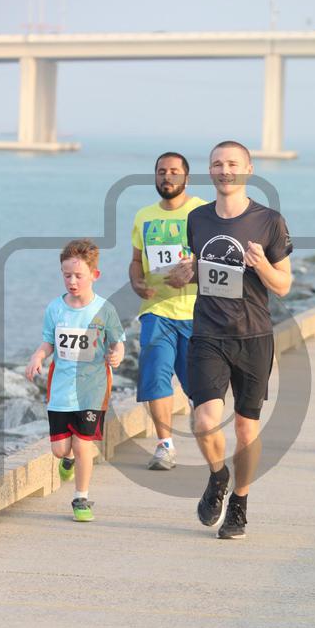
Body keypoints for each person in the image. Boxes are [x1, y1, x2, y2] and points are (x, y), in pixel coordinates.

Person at [169, 140, 293, 539]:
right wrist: (183, 274)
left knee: (245, 429)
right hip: (208, 333)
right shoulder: (198, 219)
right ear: (210, 171)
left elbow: (284, 285)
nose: (225, 170)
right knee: (204, 421)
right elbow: (194, 273)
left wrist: (262, 265)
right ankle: (218, 476)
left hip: (254, 335)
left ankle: (239, 502)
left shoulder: (269, 221)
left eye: (233, 164)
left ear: (248, 170)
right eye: (218, 164)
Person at [26, 239, 125, 521]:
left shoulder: (105, 309)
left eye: (78, 276)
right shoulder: (55, 309)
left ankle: (81, 498)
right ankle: (67, 460)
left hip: (93, 389)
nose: (72, 281)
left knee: (83, 444)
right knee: (61, 450)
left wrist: (117, 354)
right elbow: (48, 341)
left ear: (95, 275)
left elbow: (118, 341)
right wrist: (38, 356)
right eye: (66, 275)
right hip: (61, 389)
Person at [129, 152, 205, 470]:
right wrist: (136, 283)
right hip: (156, 310)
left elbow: (217, 258)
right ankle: (165, 446)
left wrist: (192, 269)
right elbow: (136, 261)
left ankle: (202, 415)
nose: (167, 176)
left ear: (186, 177)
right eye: (161, 171)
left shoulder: (202, 212)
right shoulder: (143, 215)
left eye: (174, 171)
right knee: (155, 374)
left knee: (197, 385)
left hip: (196, 312)